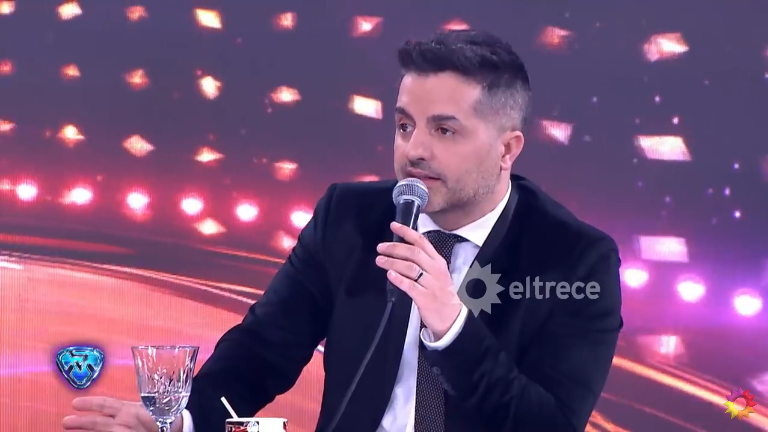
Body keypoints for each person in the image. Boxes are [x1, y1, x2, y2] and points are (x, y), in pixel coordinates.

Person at [62, 29, 622, 432]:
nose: (414, 150)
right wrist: (185, 421)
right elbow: (263, 349)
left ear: (507, 149)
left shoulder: (574, 259)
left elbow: (550, 423)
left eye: (444, 131)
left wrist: (451, 327)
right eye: (404, 125)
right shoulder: (349, 218)